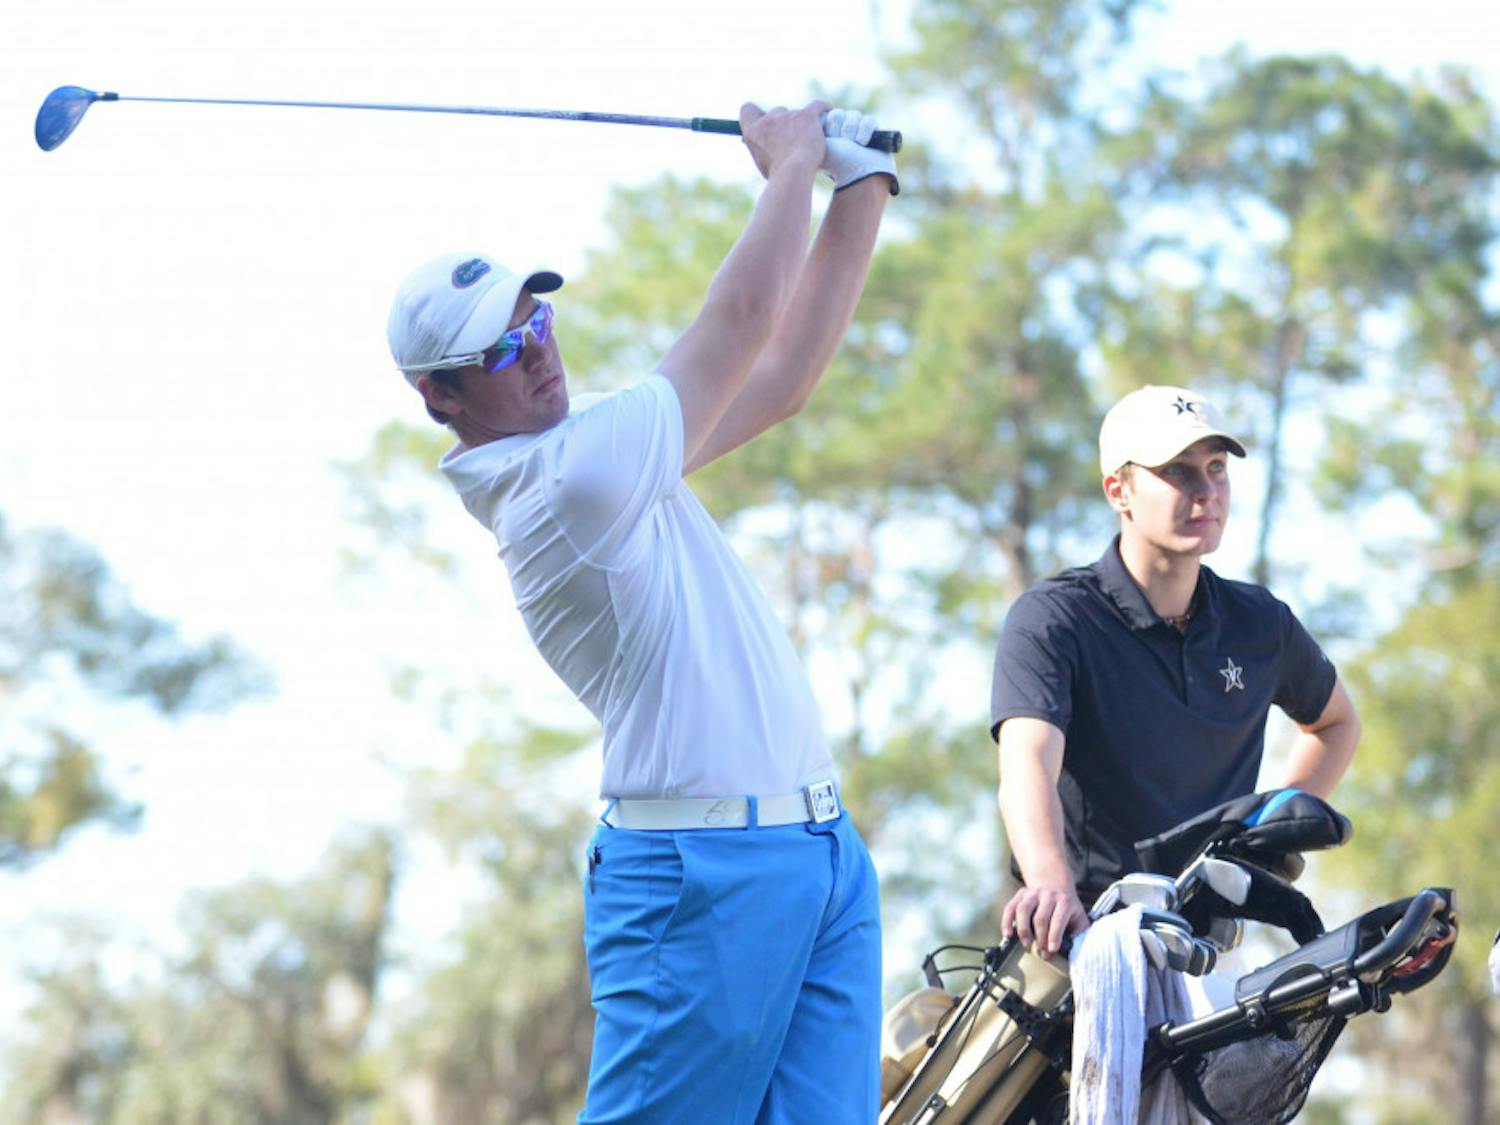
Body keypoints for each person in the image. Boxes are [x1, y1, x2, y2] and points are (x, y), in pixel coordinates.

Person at [384, 102, 897, 1124]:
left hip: (821, 852)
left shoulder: (605, 458)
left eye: (538, 321)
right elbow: (742, 322)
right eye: (501, 351)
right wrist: (790, 163)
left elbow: (785, 378)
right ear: (441, 398)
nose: (538, 352)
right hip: (698, 881)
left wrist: (864, 183)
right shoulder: (571, 483)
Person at [990, 384, 1362, 960]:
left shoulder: (1261, 623)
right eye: (1178, 471)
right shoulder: (1055, 618)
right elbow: (1028, 762)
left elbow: (1337, 723)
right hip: (1079, 940)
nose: (1206, 491)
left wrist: (1265, 831)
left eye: (1217, 468)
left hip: (1208, 953)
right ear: (1120, 490)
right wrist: (1049, 882)